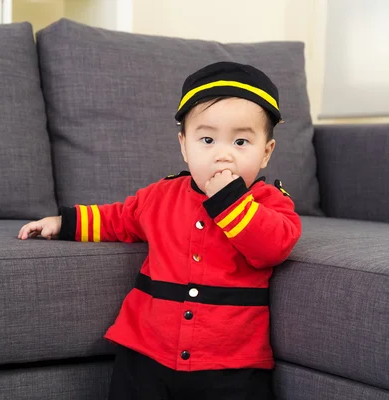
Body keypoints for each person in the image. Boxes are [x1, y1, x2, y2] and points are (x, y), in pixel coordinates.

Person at [18, 61, 302, 400]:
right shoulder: (161, 195)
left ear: (266, 153)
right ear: (184, 146)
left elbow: (273, 246)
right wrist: (64, 223)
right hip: (146, 352)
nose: (223, 155)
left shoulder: (268, 202)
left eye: (241, 142)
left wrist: (230, 201)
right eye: (208, 139)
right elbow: (118, 219)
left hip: (231, 365)